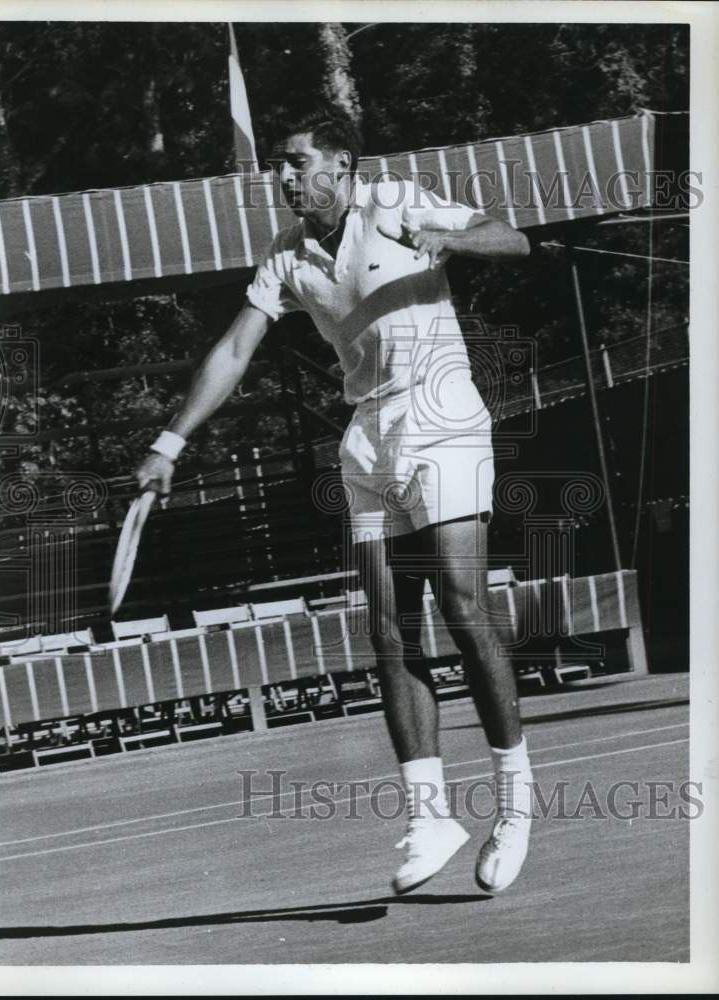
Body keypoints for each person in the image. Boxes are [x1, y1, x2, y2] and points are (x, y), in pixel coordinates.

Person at [136, 107, 534, 895]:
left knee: (462, 604)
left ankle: (516, 803)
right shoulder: (285, 256)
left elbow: (510, 237)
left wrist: (449, 239)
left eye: (294, 161)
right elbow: (235, 349)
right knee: (387, 626)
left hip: (442, 417)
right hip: (367, 438)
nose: (282, 177)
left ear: (341, 163)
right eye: (277, 166)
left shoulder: (398, 200)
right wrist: (169, 441)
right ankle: (430, 816)